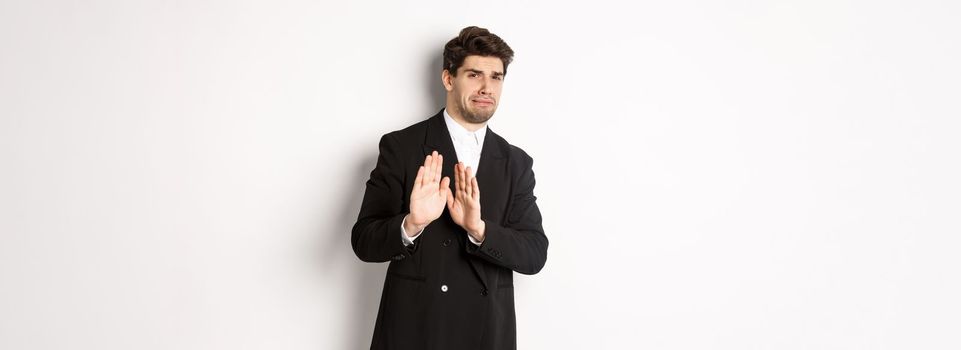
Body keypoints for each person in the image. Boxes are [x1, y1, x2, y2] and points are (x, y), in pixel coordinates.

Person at [352, 26, 548, 350]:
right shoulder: (402, 146)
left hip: (486, 335)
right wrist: (411, 224)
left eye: (496, 77)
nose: (487, 87)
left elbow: (534, 253)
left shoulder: (516, 162)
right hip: (416, 332)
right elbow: (363, 241)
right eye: (474, 74)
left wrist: (480, 229)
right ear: (448, 79)